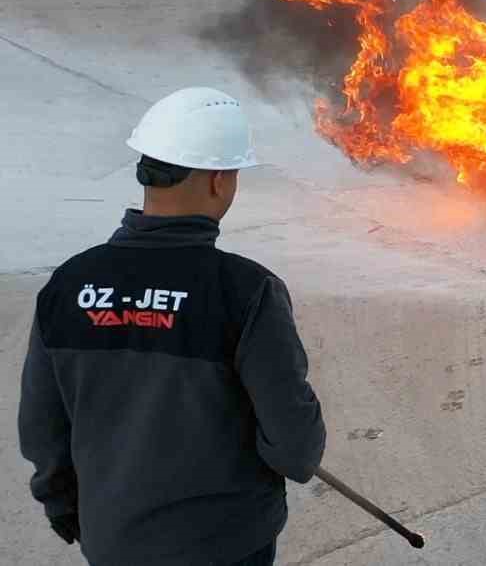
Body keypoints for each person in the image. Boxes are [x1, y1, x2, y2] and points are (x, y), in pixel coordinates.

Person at [18, 87, 325, 566]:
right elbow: (296, 449)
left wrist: (69, 510)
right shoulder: (245, 292)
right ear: (220, 179)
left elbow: (42, 429)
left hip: (113, 543)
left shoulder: (68, 285)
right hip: (227, 546)